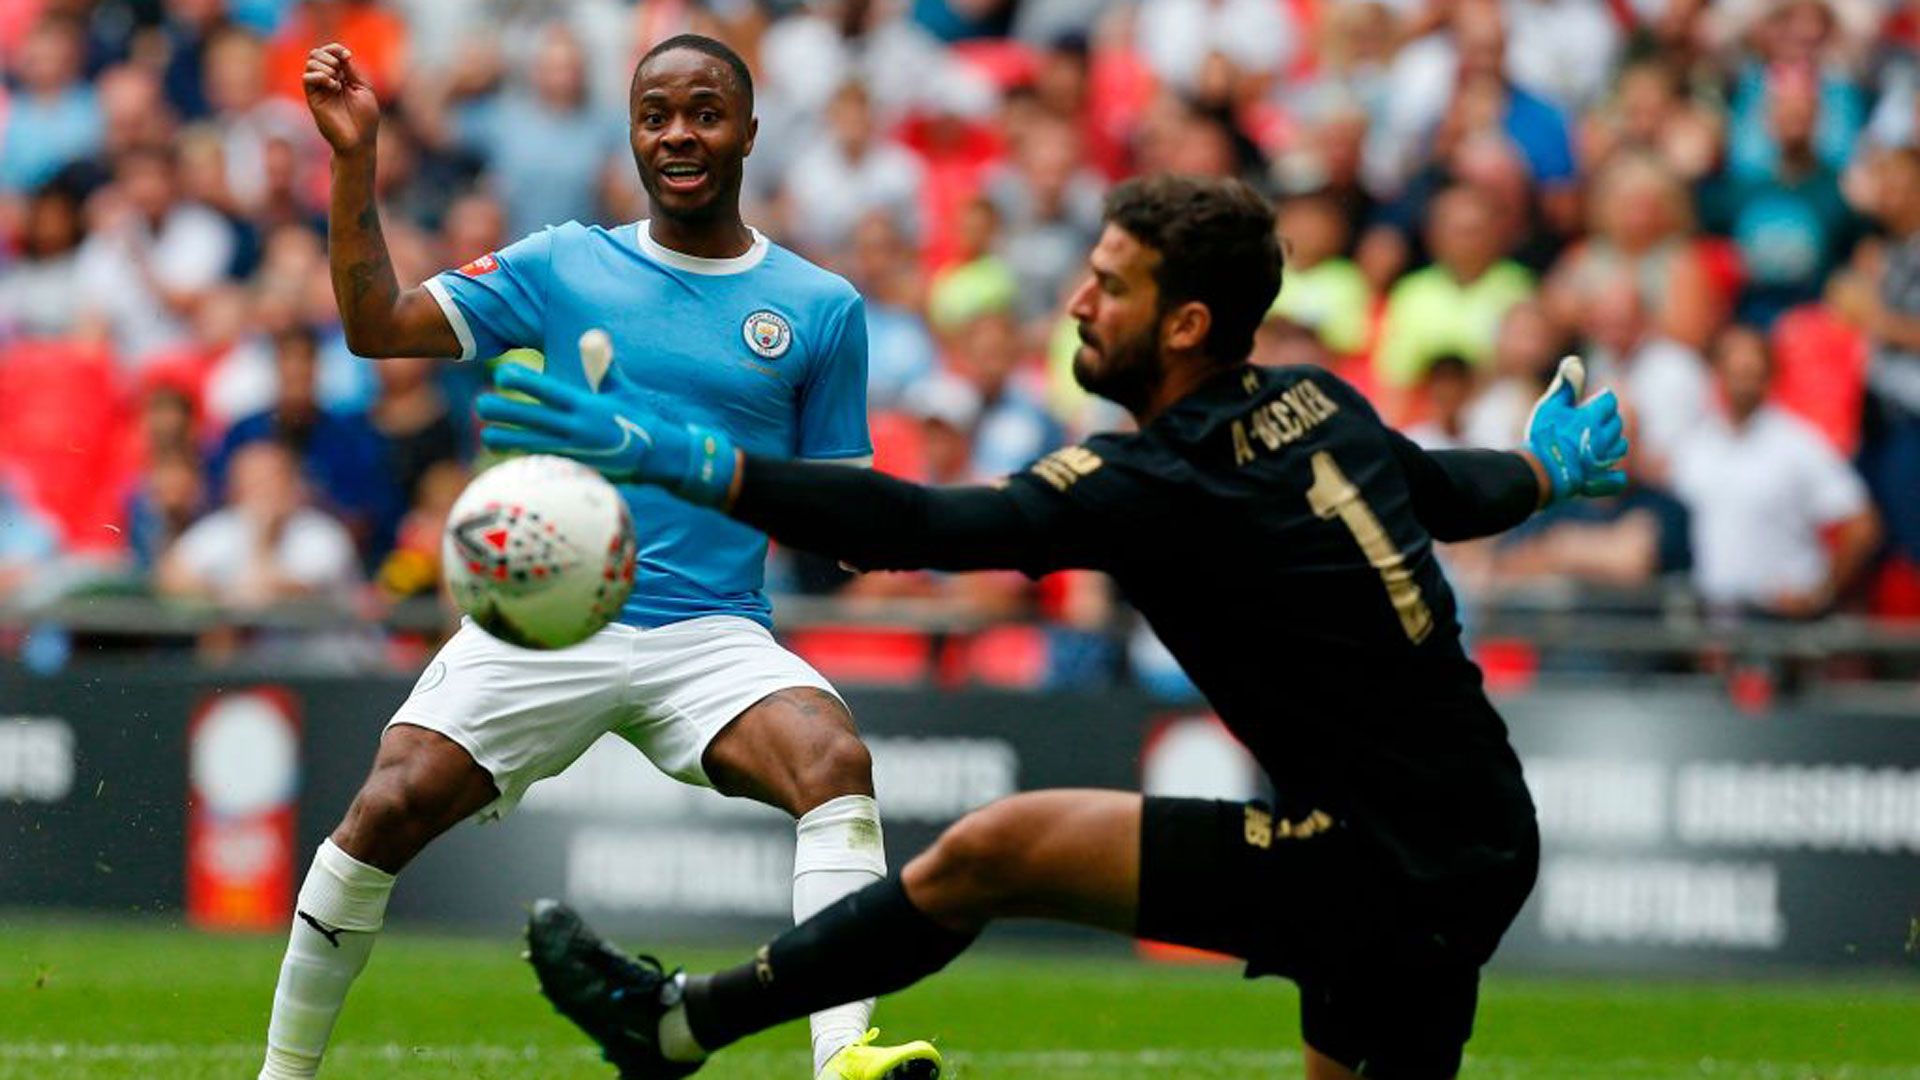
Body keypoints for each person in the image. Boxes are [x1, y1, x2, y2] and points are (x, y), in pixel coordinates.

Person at [482, 176, 1631, 1080]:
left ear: (1184, 323)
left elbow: (921, 526)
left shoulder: (1157, 481)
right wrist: (1545, 466)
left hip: (1389, 864)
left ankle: (676, 1024)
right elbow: (1447, 489)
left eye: (1109, 287)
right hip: (1470, 833)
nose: (1078, 303)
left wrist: (696, 463)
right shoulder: (1323, 403)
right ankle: (675, 1030)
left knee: (999, 850)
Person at [256, 34, 940, 1080]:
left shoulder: (819, 309)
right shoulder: (562, 261)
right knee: (386, 806)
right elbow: (377, 325)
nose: (680, 132)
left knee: (834, 762)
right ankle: (281, 1076)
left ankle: (845, 1060)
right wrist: (355, 161)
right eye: (656, 113)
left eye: (705, 112)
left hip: (712, 630)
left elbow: (842, 513)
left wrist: (828, 517)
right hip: (549, 615)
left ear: (750, 133)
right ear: (630, 133)